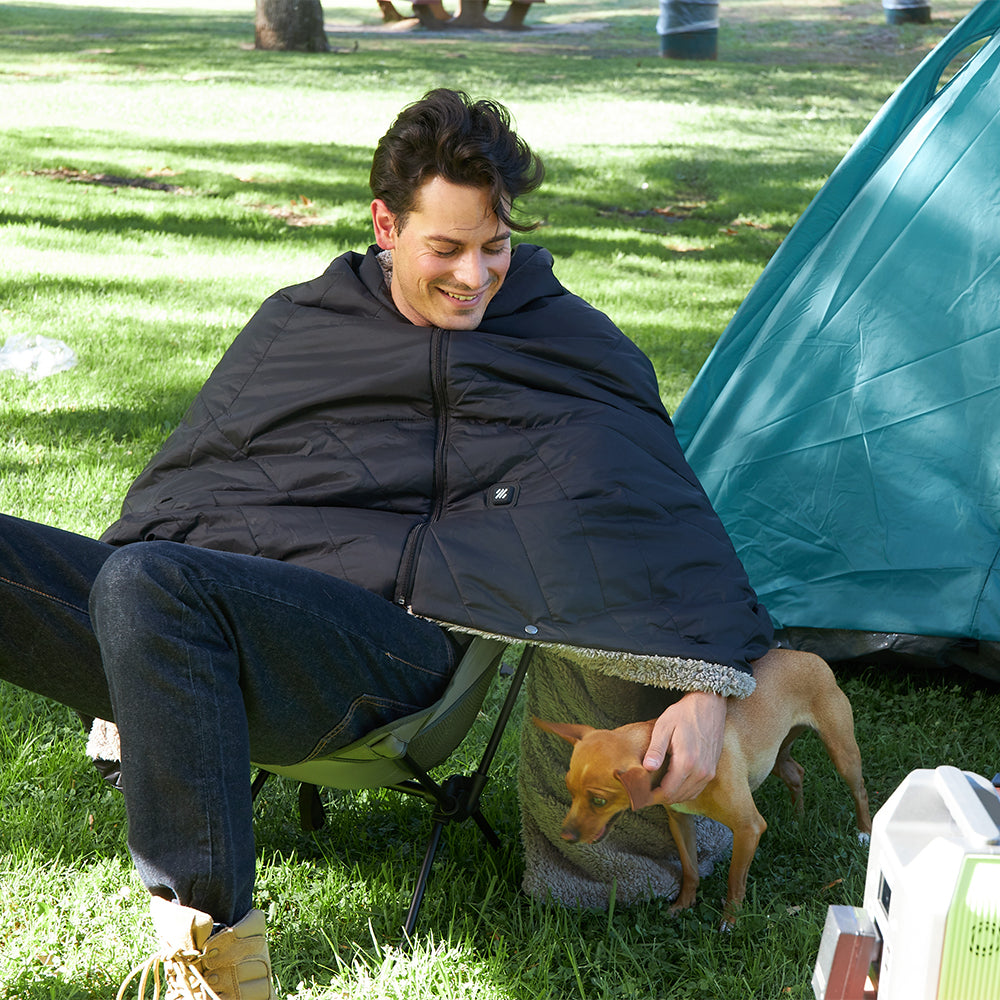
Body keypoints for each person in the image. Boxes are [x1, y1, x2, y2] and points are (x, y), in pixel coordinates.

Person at [0, 89, 772, 999]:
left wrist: (704, 681)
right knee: (140, 576)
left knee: (148, 583)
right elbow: (189, 487)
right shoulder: (300, 322)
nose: (474, 276)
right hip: (212, 616)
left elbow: (656, 515)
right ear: (385, 224)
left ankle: (212, 962)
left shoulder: (570, 343)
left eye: (495, 246)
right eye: (444, 249)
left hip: (386, 659)